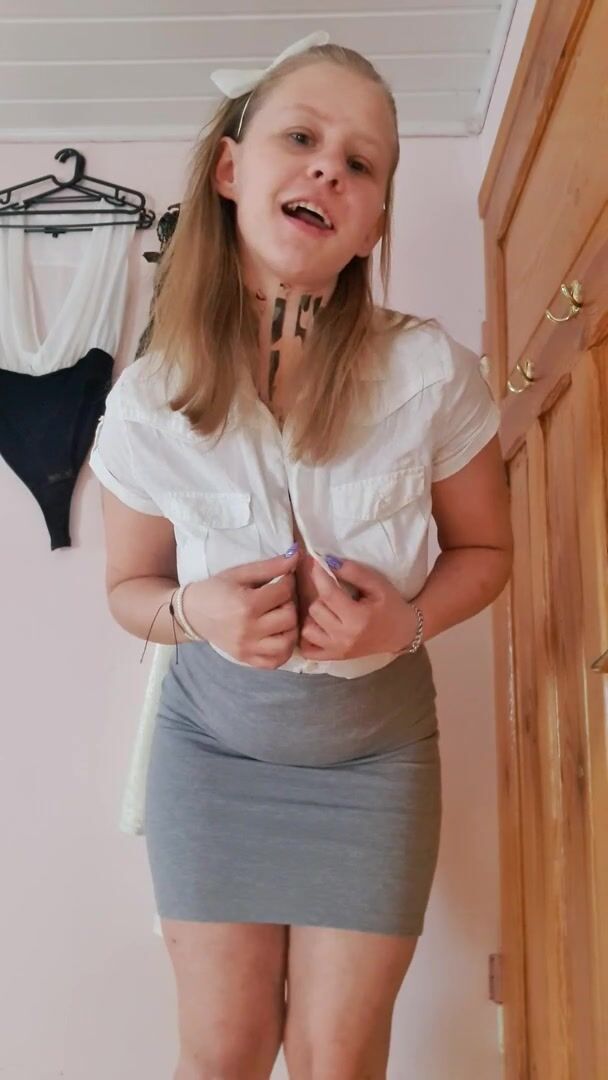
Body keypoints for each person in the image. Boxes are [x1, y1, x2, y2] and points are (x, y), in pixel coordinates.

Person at [90, 32, 513, 1080]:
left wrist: (405, 622)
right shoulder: (146, 402)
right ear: (232, 170)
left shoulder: (432, 375)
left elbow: (486, 549)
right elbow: (129, 589)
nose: (329, 168)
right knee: (222, 1054)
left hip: (375, 761)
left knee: (337, 1060)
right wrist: (196, 611)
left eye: (359, 163)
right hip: (212, 755)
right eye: (302, 139)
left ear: (372, 222)